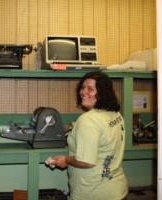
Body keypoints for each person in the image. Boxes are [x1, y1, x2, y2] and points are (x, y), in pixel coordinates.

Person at [48, 71, 128, 200]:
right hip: (117, 189)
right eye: (83, 87)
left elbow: (86, 162)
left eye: (90, 89)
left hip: (93, 192)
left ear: (102, 93)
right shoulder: (116, 114)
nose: (83, 92)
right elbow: (101, 128)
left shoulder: (88, 120)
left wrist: (66, 160)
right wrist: (72, 126)